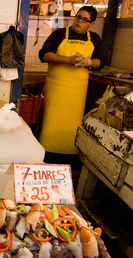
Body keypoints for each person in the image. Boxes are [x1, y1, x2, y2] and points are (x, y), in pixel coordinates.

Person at [38, 5, 107, 156]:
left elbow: (101, 62)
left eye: (84, 20)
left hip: (77, 95)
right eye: (78, 17)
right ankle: (46, 155)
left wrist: (88, 62)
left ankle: (70, 156)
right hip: (56, 92)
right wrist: (67, 60)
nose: (79, 22)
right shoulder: (59, 34)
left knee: (72, 128)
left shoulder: (94, 39)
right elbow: (44, 54)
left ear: (91, 23)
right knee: (50, 126)